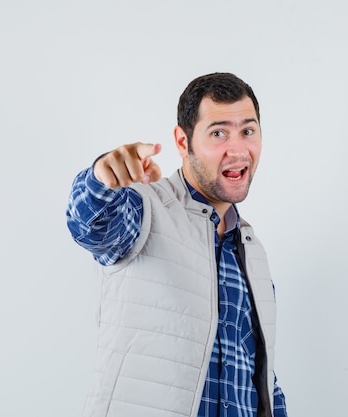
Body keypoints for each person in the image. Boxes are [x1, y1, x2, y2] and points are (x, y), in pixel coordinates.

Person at [66, 72, 288, 417]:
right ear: (183, 143)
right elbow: (89, 224)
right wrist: (101, 178)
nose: (238, 149)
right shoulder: (144, 210)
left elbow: (260, 376)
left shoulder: (252, 249)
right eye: (218, 133)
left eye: (248, 131)